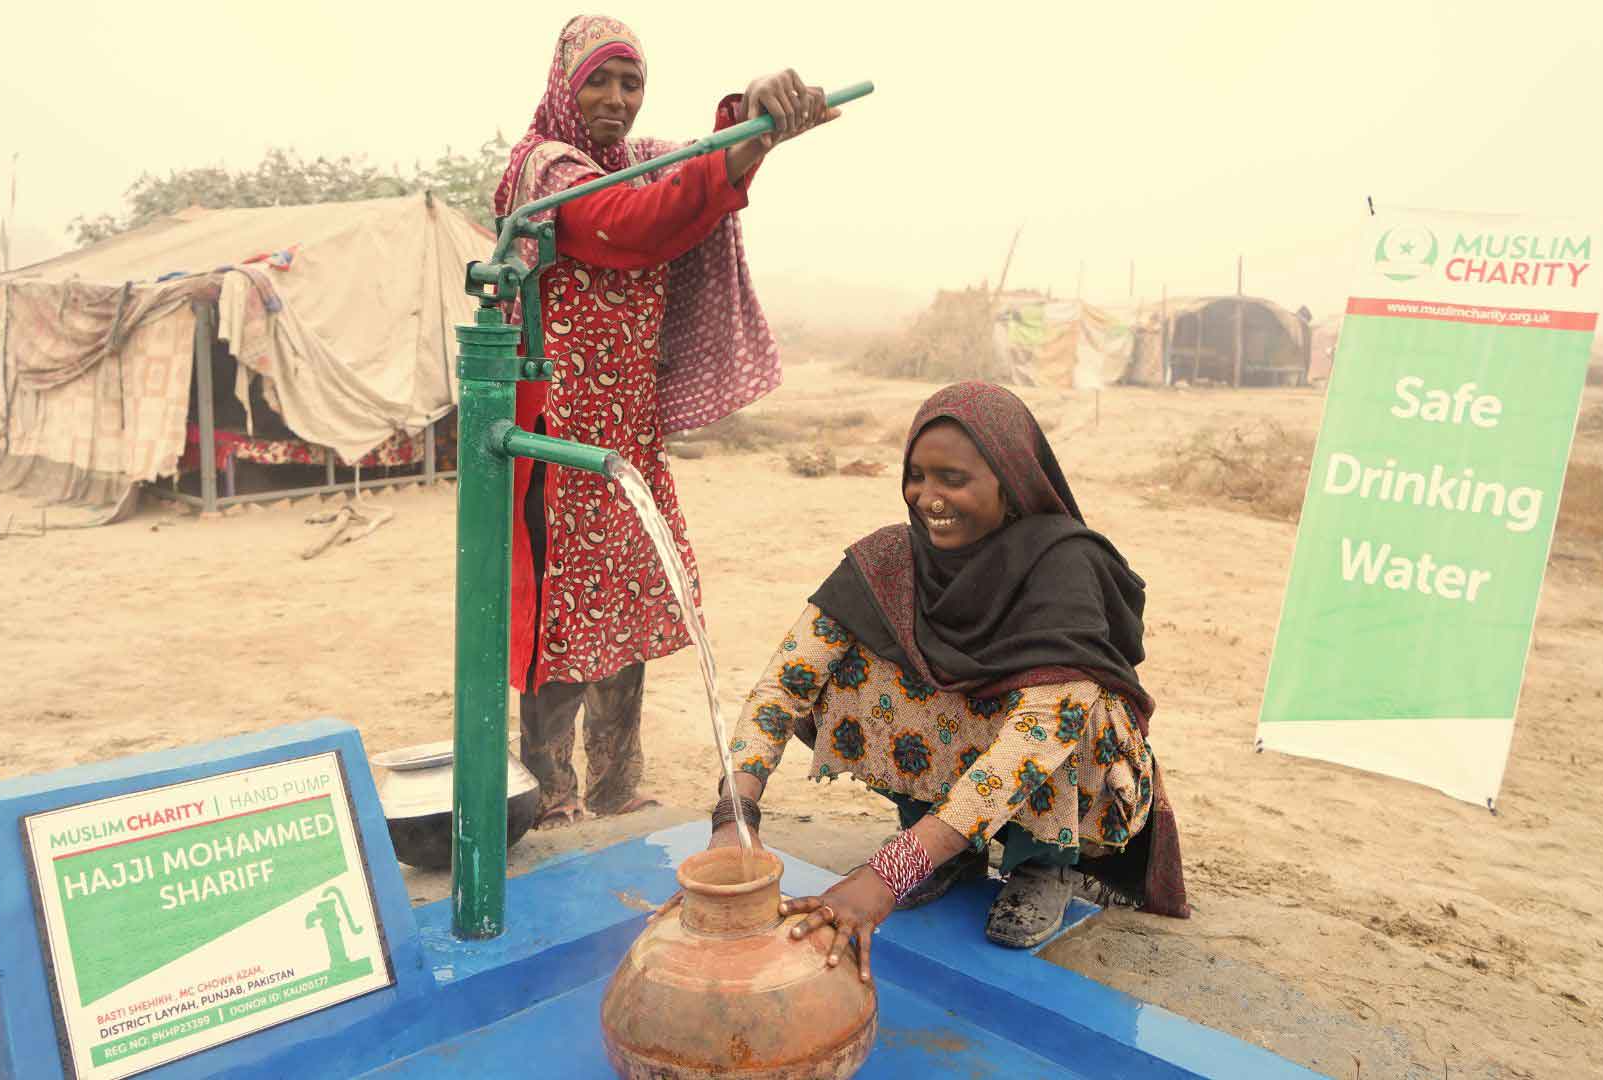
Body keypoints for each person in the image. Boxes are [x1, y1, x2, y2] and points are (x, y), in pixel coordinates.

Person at [702, 382, 1188, 968]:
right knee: (855, 673)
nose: (928, 498)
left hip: (1062, 756)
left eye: (953, 480)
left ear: (1010, 483)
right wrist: (736, 815)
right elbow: (786, 683)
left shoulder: (1063, 565)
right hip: (980, 748)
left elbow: (1039, 735)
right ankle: (945, 845)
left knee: (1070, 709)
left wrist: (890, 872)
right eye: (917, 475)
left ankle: (1041, 862)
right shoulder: (888, 562)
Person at [494, 14, 837, 829]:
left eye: (631, 83)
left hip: (625, 432)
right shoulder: (547, 172)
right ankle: (551, 795)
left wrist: (752, 121)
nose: (616, 100)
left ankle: (615, 785)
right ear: (564, 86)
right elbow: (642, 225)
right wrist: (744, 146)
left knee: (627, 604)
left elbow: (688, 172)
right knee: (562, 620)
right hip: (557, 435)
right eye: (599, 82)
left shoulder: (634, 163)